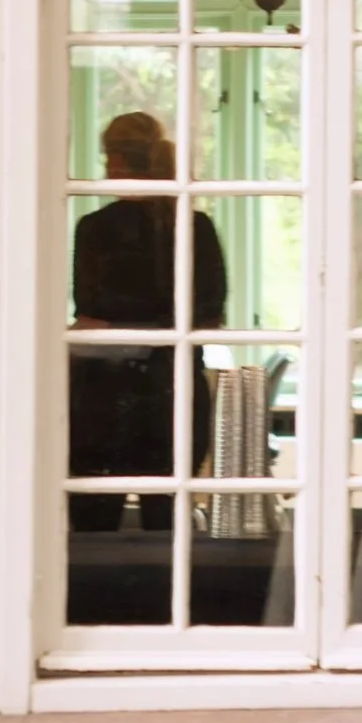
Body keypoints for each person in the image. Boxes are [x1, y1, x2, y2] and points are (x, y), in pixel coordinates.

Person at [67, 112, 227, 539]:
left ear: (117, 162)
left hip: (105, 391)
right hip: (174, 385)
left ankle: (90, 606)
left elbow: (90, 309)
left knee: (93, 527)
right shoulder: (196, 226)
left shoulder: (95, 229)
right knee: (169, 524)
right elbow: (211, 310)